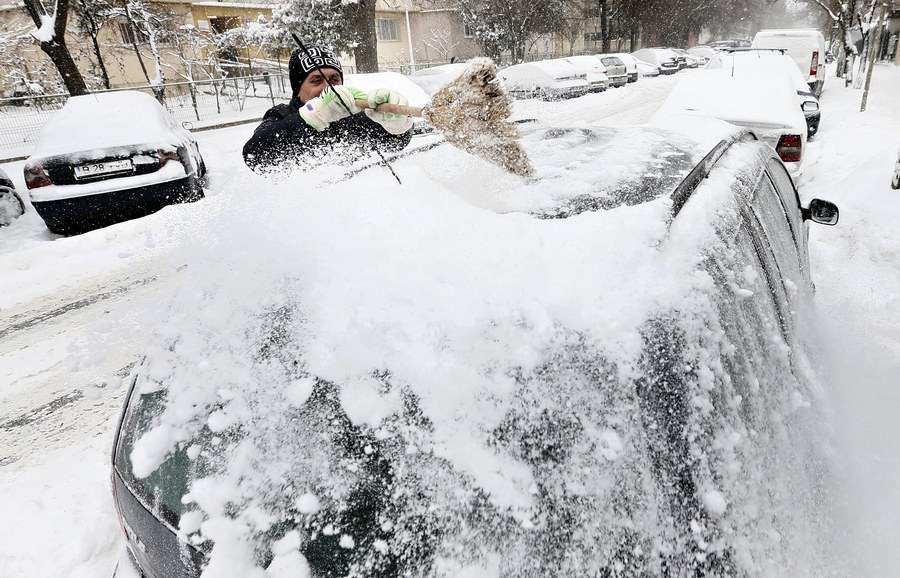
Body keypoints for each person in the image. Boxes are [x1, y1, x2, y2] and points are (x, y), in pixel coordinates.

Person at [243, 44, 414, 173]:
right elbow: (255, 157)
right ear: (298, 88)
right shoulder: (281, 115)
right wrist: (314, 116)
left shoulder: (353, 116)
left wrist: (399, 126)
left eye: (334, 80)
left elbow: (394, 143)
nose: (328, 88)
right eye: (316, 80)